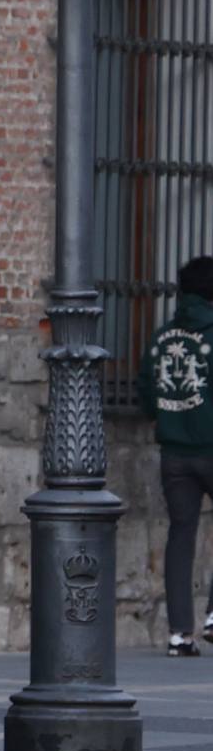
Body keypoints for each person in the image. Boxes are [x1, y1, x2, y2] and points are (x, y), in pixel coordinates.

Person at [145, 255, 213, 656]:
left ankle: (178, 633)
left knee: (180, 536)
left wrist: (168, 418)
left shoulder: (162, 337)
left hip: (173, 451)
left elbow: (146, 390)